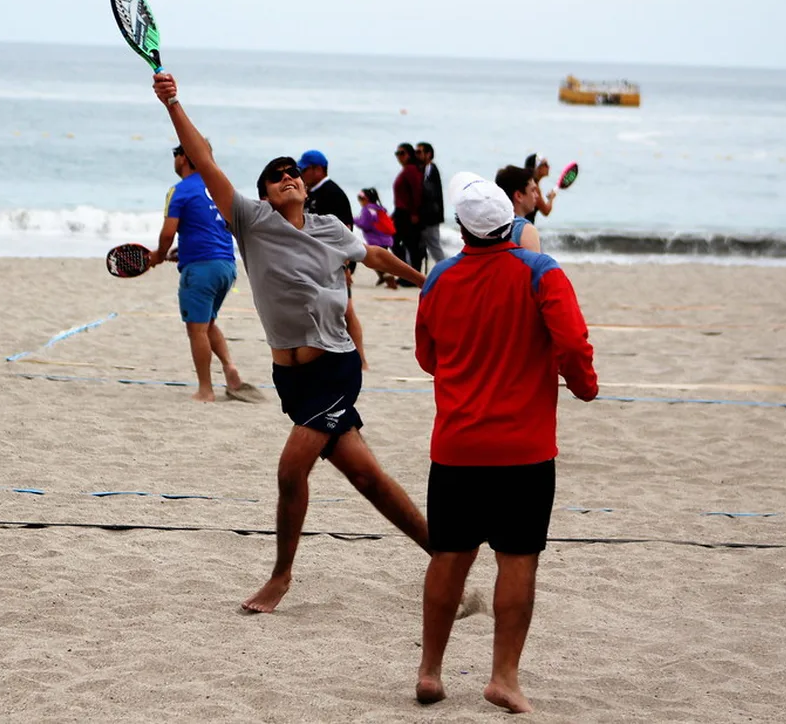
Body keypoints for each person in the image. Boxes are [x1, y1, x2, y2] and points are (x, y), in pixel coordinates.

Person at [151, 71, 431, 614]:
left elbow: (372, 256)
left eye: (293, 174)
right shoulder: (251, 222)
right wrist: (173, 103)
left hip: (334, 368)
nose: (288, 178)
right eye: (276, 176)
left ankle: (280, 577)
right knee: (366, 476)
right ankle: (441, 550)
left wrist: (428, 281)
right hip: (291, 380)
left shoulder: (329, 228)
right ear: (261, 194)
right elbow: (204, 160)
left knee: (289, 470)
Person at [413, 171, 598, 713]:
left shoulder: (439, 279)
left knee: (450, 557)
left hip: (457, 447)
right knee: (517, 560)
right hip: (525, 449)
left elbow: (428, 356)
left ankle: (429, 672)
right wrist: (583, 386)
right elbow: (572, 341)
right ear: (511, 224)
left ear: (462, 230)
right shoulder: (541, 271)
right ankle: (503, 678)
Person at [148, 142, 248, 403]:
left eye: (175, 153)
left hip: (202, 269)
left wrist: (158, 255)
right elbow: (213, 226)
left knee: (196, 330)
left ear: (184, 158)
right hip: (227, 265)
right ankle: (230, 368)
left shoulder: (179, 191)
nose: (174, 159)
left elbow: (168, 232)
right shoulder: (216, 188)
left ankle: (206, 389)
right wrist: (186, 249)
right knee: (209, 323)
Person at [298, 149, 369, 370]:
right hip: (317, 261)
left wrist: (345, 267)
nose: (301, 174)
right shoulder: (311, 191)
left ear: (318, 170)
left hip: (337, 261)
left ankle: (361, 359)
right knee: (320, 310)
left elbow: (345, 232)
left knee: (346, 310)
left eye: (305, 170)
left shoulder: (332, 193)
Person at [390, 142, 426, 282]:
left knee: (408, 244)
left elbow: (417, 192)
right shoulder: (407, 170)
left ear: (409, 155)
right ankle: (407, 274)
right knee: (401, 243)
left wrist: (415, 213)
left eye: (402, 153)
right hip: (401, 212)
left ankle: (410, 276)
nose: (399, 156)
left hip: (407, 213)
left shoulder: (411, 170)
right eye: (397, 153)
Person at [353, 187, 397, 289]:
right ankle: (383, 277)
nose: (360, 202)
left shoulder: (367, 209)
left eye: (361, 199)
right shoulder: (378, 209)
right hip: (386, 239)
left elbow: (366, 225)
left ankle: (389, 279)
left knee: (375, 260)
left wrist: (354, 220)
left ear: (366, 199)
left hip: (376, 240)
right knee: (379, 260)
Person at [494, 164, 543, 251]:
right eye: (532, 190)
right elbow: (533, 264)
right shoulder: (525, 230)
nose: (536, 196)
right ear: (519, 196)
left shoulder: (490, 227)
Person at [415, 142, 445, 267]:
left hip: (431, 217)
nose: (416, 155)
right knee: (422, 245)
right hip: (426, 217)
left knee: (434, 245)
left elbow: (432, 195)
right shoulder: (423, 169)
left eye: (419, 152)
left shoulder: (431, 170)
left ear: (428, 154)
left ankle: (445, 269)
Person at [522, 153, 556, 223]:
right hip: (525, 227)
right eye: (545, 164)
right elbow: (546, 211)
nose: (549, 167)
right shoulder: (534, 188)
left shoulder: (528, 184)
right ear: (537, 168)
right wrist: (551, 198)